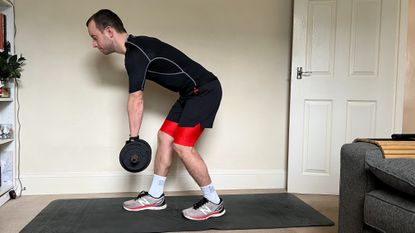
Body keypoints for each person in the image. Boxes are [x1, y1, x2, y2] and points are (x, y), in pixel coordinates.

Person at [86, 9, 224, 221]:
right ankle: (156, 196)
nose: (94, 44)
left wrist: (133, 139)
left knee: (182, 146)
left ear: (109, 31)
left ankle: (213, 201)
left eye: (95, 37)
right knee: (165, 137)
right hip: (189, 93)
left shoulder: (136, 53)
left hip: (204, 91)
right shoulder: (136, 50)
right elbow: (136, 98)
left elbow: (136, 99)